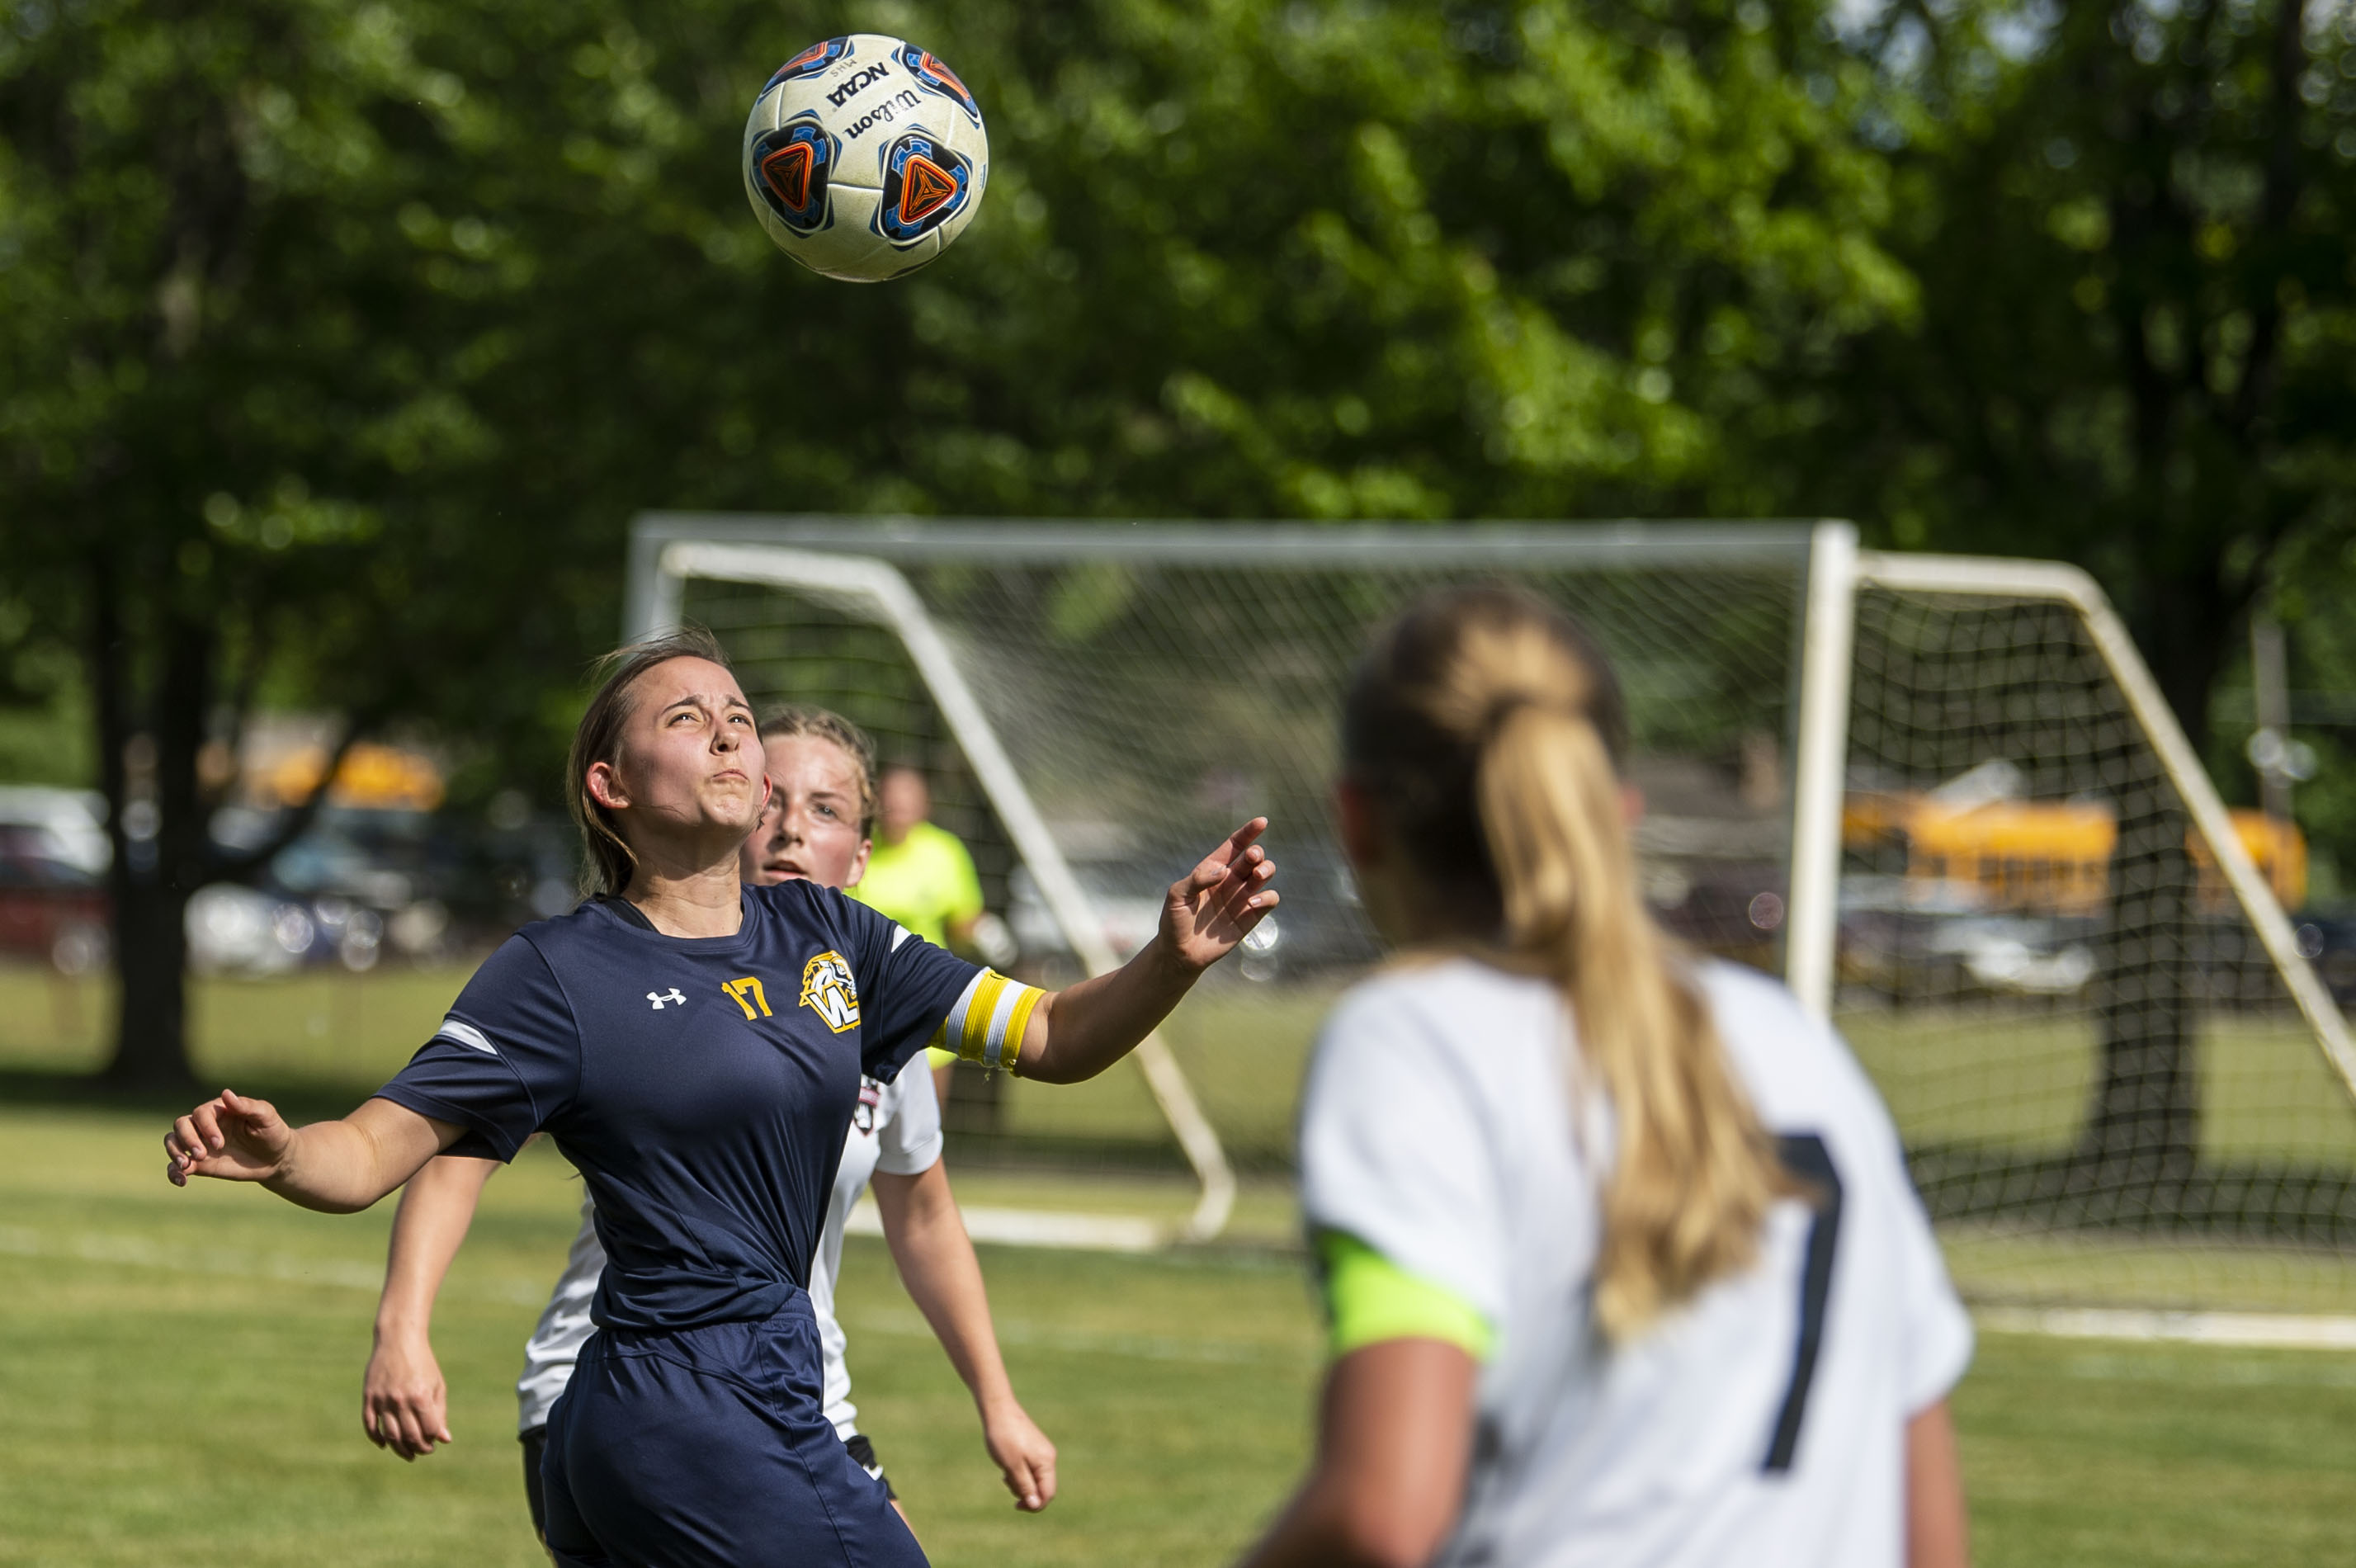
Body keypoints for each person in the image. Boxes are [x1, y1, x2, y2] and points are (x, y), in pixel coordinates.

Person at [166, 628, 1277, 1568]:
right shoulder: (559, 972)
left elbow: (1049, 1034)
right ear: (611, 785)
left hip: (757, 1381)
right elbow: (370, 1154)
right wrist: (283, 1155)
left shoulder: (835, 936)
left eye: (737, 715)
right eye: (687, 718)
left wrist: (1167, 960)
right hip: (674, 1403)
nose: (730, 731)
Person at [1235, 588, 1971, 1568]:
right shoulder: (1794, 1046)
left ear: (1355, 820)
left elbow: (1380, 1511)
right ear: (1616, 811)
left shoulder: (1415, 1035)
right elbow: (1925, 1523)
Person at [359, 703, 1055, 1541]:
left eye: (826, 810)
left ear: (862, 857)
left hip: (796, 1395)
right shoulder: (623, 972)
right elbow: (455, 1142)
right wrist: (402, 1328)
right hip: (631, 1390)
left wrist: (999, 1402)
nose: (791, 831)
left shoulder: (875, 1006)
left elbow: (925, 1215)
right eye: (772, 803)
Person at [850, 763, 1003, 1104]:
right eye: (891, 797)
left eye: (908, 797)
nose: (898, 806)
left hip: (927, 1000)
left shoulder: (945, 853)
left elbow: (963, 920)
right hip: (863, 1007)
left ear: (924, 805)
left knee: (923, 1133)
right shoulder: (854, 850)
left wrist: (987, 933)